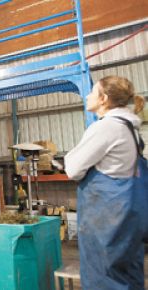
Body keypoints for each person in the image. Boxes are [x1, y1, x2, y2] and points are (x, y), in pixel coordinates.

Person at [64, 76, 146, 290]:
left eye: (93, 92)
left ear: (104, 99)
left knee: (104, 279)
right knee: (126, 275)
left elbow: (73, 168)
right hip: (127, 216)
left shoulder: (107, 127)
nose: (88, 96)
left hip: (107, 222)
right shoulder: (129, 127)